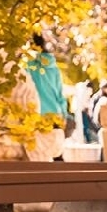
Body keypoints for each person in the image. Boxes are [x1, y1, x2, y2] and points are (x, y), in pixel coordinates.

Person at [25, 33, 68, 162]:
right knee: (56, 153)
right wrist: (63, 114)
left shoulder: (28, 66)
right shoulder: (53, 67)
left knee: (37, 153)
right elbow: (60, 93)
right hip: (55, 112)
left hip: (36, 113)